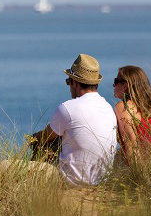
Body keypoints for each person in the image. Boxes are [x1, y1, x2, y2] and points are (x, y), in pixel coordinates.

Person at [30, 53, 119, 186]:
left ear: (75, 83)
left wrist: (32, 139)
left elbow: (44, 137)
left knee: (5, 166)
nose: (69, 86)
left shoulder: (68, 108)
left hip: (71, 182)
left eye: (68, 82)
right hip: (101, 181)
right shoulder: (108, 109)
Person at [113, 65, 151, 166]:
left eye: (115, 81)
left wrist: (138, 177)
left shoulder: (124, 107)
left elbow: (131, 145)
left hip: (139, 167)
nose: (113, 85)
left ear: (125, 85)